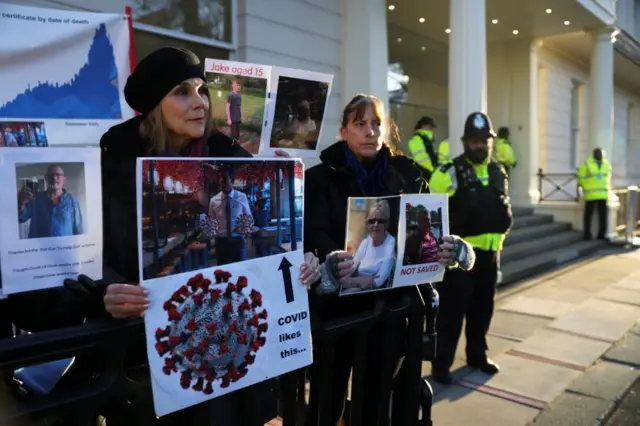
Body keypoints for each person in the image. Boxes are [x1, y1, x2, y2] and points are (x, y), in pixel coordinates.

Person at [63, 47, 322, 426]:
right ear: (154, 106)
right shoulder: (113, 165)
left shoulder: (230, 156)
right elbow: (88, 255)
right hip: (147, 363)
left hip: (230, 353)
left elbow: (274, 248)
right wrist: (108, 291)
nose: (200, 102)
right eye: (182, 92)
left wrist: (303, 260)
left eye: (202, 90)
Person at [304, 93, 475, 425]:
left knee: (377, 402)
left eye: (376, 124)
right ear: (343, 131)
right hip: (337, 316)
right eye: (360, 124)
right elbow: (314, 231)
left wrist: (447, 249)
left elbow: (430, 227)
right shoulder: (320, 178)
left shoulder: (407, 174)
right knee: (328, 402)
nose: (370, 132)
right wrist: (331, 260)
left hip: (393, 313)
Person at [429, 111, 513, 385]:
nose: (479, 146)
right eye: (474, 141)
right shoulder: (447, 173)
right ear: (464, 142)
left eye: (484, 140)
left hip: (491, 257)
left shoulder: (497, 171)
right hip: (460, 262)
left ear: (491, 142)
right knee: (451, 317)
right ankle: (441, 366)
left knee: (482, 312)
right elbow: (430, 217)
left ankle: (478, 355)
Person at [341, 199, 397, 294]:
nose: (375, 224)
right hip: (357, 284)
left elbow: (378, 282)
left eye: (380, 221)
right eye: (372, 221)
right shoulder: (366, 241)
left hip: (374, 293)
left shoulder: (390, 243)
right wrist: (346, 280)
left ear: (386, 224)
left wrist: (350, 283)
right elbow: (353, 266)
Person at [18, 164, 84, 238]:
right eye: (51, 175)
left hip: (65, 248)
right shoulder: (35, 199)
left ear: (64, 180)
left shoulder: (73, 201)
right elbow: (21, 218)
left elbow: (79, 230)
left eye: (58, 175)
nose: (54, 178)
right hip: (39, 248)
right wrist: (21, 203)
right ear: (46, 179)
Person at [208, 165, 252, 264]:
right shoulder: (213, 201)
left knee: (240, 271)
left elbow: (248, 219)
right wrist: (212, 244)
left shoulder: (242, 197)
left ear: (231, 180)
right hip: (221, 242)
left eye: (224, 178)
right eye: (220, 178)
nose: (221, 181)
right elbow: (211, 225)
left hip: (238, 240)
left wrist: (244, 233)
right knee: (223, 273)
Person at [577, 147, 611, 240]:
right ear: (594, 154)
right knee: (588, 216)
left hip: (603, 194)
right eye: (598, 153)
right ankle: (587, 234)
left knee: (603, 216)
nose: (600, 155)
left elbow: (607, 178)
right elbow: (581, 177)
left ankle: (602, 234)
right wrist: (586, 187)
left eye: (601, 153)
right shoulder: (587, 164)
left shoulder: (606, 164)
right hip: (590, 194)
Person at [407, 116, 440, 180]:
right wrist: (433, 170)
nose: (431, 129)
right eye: (430, 126)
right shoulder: (416, 140)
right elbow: (421, 159)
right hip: (424, 175)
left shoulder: (427, 140)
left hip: (428, 173)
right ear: (423, 126)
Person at [226, 76, 242, 140]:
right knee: (233, 134)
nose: (239, 87)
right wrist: (229, 119)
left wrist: (240, 116)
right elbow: (227, 107)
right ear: (233, 86)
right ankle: (232, 146)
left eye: (239, 85)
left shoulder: (239, 95)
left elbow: (239, 106)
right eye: (237, 85)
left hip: (238, 117)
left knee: (237, 134)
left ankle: (236, 144)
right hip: (232, 118)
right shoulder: (230, 95)